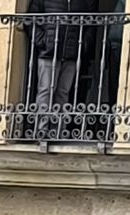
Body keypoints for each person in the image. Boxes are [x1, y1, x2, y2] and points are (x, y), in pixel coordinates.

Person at [25, 0, 97, 138]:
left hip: (72, 53)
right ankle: (42, 129)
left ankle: (58, 130)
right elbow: (30, 20)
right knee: (45, 90)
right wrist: (43, 41)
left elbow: (91, 24)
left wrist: (82, 46)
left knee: (63, 92)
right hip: (49, 52)